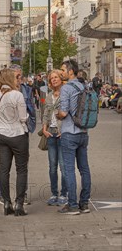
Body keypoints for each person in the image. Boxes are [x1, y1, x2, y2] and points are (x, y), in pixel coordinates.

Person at [0, 68, 29, 216]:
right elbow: (23, 117)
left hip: (2, 135)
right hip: (18, 134)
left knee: (4, 168)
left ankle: (6, 202)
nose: (16, 79)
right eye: (14, 77)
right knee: (21, 169)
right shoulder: (17, 95)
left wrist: (0, 124)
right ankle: (19, 203)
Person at [56, 59, 91, 215]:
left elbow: (63, 113)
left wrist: (57, 115)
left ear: (70, 71)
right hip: (83, 132)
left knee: (69, 170)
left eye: (63, 70)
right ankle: (84, 203)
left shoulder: (66, 88)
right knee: (84, 169)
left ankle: (72, 205)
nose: (61, 72)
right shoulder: (84, 85)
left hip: (70, 132)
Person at [42, 70, 67, 207]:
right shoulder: (50, 95)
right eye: (51, 78)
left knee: (63, 166)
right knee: (52, 166)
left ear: (61, 79)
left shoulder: (66, 94)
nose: (54, 80)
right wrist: (44, 129)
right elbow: (46, 113)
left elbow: (69, 113)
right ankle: (53, 193)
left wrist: (65, 130)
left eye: (56, 77)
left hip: (62, 133)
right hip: (51, 133)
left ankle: (64, 193)